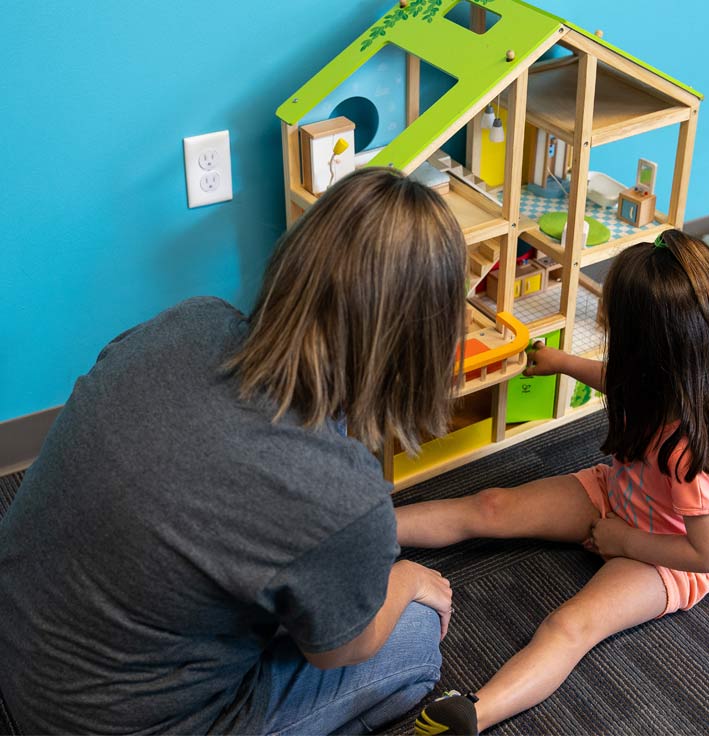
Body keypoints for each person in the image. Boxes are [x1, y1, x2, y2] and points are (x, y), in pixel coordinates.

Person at [0, 167, 469, 735]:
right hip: (114, 723)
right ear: (422, 338)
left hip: (19, 649)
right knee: (417, 638)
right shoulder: (342, 493)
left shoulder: (190, 321)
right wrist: (411, 579)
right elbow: (340, 650)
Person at [402, 230, 709, 735]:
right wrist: (563, 363)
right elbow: (619, 379)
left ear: (646, 348)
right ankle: (370, 528)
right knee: (492, 506)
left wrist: (624, 540)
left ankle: (474, 713)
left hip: (668, 554)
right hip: (621, 495)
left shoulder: (696, 456)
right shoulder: (663, 379)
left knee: (572, 625)